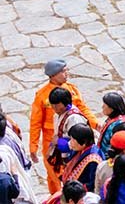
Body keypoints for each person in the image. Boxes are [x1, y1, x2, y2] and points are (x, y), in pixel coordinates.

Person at [30, 60, 95, 194]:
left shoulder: (71, 90)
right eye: (63, 71)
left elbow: (82, 108)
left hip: (70, 141)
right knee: (53, 175)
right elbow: (35, 122)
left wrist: (95, 123)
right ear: (53, 75)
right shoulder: (42, 96)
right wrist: (33, 146)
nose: (67, 74)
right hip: (51, 141)